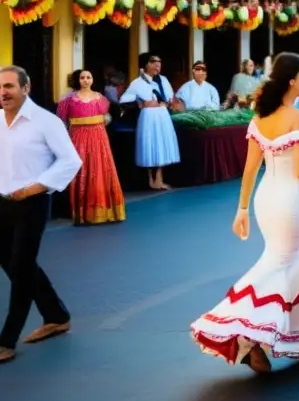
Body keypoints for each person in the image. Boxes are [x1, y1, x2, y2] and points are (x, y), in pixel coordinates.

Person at [190, 53, 299, 373]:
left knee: (295, 259)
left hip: (268, 198)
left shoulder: (260, 119)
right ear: (291, 80)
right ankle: (245, 336)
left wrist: (243, 209)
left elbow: (250, 170)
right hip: (293, 200)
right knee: (282, 263)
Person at [0, 66, 81, 364]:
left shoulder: (45, 122)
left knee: (20, 268)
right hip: (2, 202)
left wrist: (35, 186)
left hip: (31, 203)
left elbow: (71, 161)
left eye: (9, 86)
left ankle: (6, 340)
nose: (3, 92)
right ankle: (56, 315)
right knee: (13, 263)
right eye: (0, 88)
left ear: (26, 88)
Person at [56, 69, 126, 225]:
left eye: (89, 77)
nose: (86, 80)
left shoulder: (100, 98)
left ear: (93, 80)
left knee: (100, 168)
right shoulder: (68, 99)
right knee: (81, 170)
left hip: (98, 138)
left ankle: (104, 209)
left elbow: (106, 116)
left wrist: (104, 119)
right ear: (77, 80)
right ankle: (81, 211)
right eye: (82, 77)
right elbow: (60, 121)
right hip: (78, 138)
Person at [119, 53, 179, 190]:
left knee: (162, 146)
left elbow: (170, 98)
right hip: (148, 117)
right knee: (150, 147)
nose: (157, 65)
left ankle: (159, 179)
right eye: (153, 62)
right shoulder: (137, 83)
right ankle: (150, 180)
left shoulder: (163, 80)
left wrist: (169, 103)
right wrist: (140, 103)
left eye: (159, 62)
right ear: (145, 65)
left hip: (162, 115)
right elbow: (123, 100)